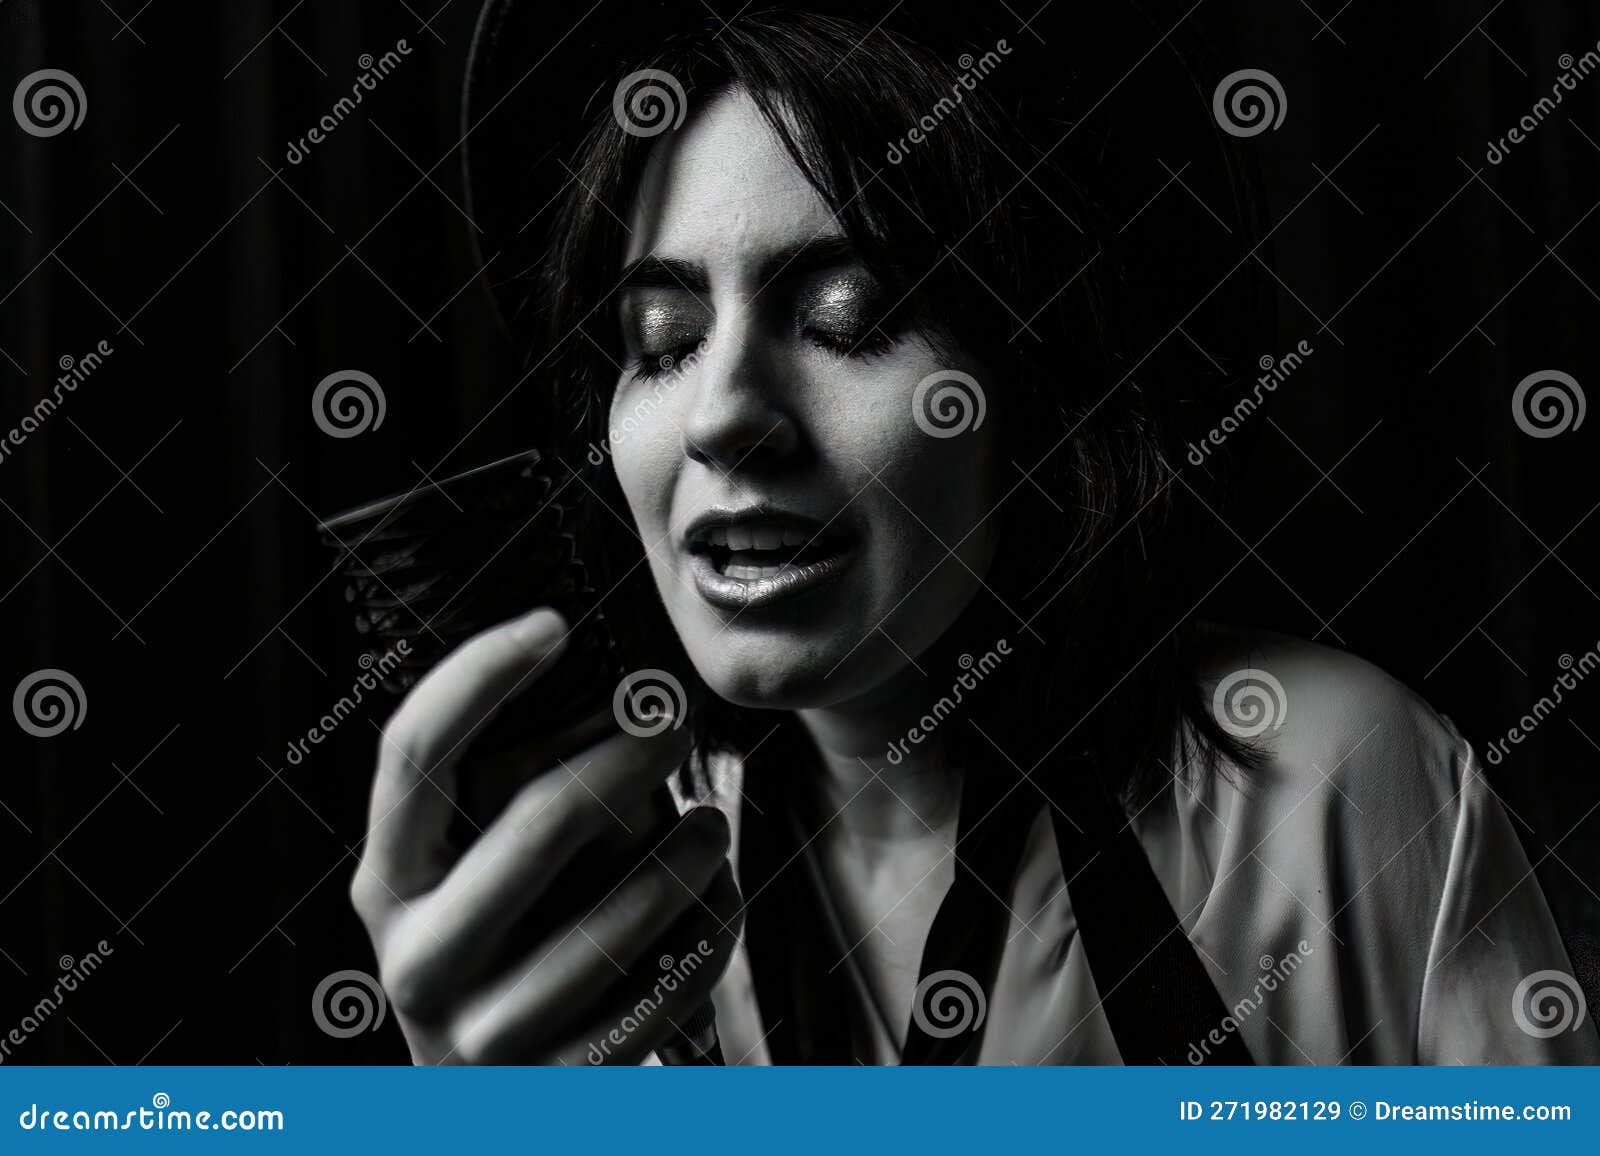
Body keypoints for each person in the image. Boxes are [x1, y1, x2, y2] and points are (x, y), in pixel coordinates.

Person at [347, 4, 1598, 1065]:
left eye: (848, 317)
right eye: (662, 344)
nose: (724, 414)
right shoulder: (600, 883)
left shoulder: (1329, 782)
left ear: (1038, 382)